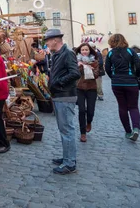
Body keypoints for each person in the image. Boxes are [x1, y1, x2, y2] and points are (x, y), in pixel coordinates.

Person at [39, 29, 81, 175]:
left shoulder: (67, 53)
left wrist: (58, 83)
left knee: (67, 129)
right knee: (64, 129)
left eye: (48, 41)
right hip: (59, 95)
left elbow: (75, 73)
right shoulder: (57, 54)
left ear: (55, 40)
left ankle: (69, 163)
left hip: (65, 96)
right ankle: (68, 157)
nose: (47, 44)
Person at [105, 33, 140, 141]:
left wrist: (113, 77)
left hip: (117, 83)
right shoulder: (130, 51)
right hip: (131, 82)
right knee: (133, 107)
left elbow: (107, 68)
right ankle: (136, 129)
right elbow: (139, 65)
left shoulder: (110, 53)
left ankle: (128, 131)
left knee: (122, 107)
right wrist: (136, 76)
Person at [75, 43, 100, 143]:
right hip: (80, 88)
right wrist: (80, 66)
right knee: (81, 110)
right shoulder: (76, 61)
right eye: (82, 50)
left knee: (90, 111)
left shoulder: (94, 62)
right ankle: (83, 133)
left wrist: (88, 68)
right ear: (80, 51)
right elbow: (75, 74)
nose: (84, 51)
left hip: (91, 88)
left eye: (86, 50)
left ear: (90, 51)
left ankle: (89, 122)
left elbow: (96, 74)